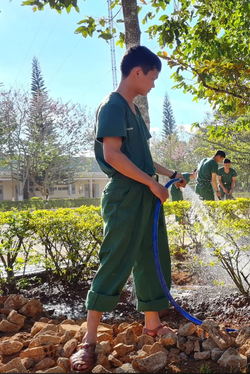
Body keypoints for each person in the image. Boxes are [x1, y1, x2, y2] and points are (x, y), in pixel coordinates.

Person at [69, 46, 184, 373]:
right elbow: (114, 156)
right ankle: (88, 340)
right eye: (152, 77)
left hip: (145, 193)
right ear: (137, 72)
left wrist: (171, 175)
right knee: (116, 259)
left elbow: (143, 159)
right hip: (126, 195)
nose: (153, 84)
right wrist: (151, 184)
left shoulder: (133, 111)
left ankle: (152, 324)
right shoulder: (112, 106)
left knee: (151, 256)